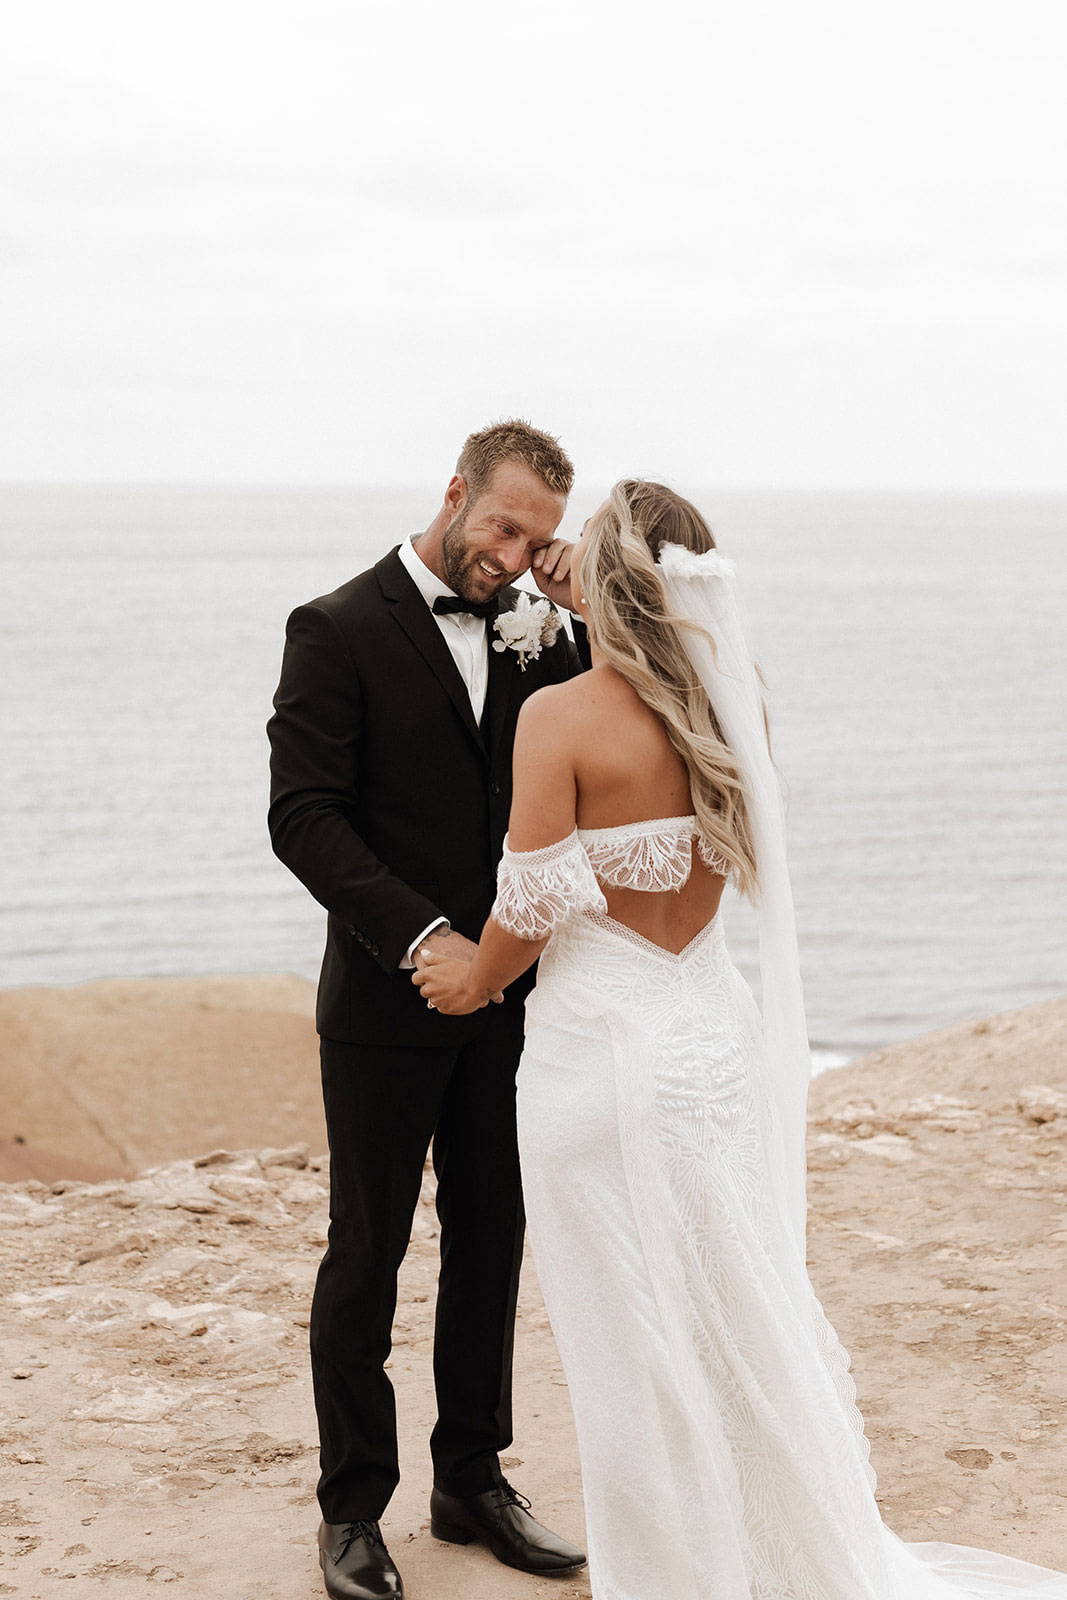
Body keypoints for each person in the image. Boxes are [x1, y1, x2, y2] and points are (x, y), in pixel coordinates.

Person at [414, 479, 1067, 1600]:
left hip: (602, 1063)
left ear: (605, 585)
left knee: (632, 1346)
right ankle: (779, 1547)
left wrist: (469, 979)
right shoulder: (733, 704)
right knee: (735, 1307)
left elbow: (527, 909)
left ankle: (677, 1572)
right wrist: (606, 605)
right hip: (711, 1045)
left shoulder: (558, 717)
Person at [266, 420, 588, 1600]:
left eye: (537, 538)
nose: (510, 554)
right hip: (385, 999)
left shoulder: (546, 636)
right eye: (501, 524)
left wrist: (580, 594)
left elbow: (609, 728)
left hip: (513, 999)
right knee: (368, 1251)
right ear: (453, 492)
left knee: (492, 1236)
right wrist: (421, 935)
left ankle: (470, 1479)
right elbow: (304, 817)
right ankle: (352, 1508)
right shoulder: (336, 626)